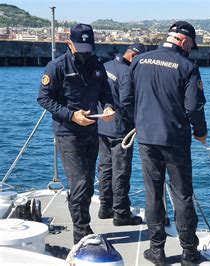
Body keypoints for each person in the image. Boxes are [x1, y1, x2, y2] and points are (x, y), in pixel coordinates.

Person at [120, 21, 207, 264]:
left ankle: (156, 250)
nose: (191, 49)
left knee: (153, 193)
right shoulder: (188, 66)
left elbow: (125, 98)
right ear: (184, 41)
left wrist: (140, 121)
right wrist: (200, 132)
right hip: (175, 140)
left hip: (147, 138)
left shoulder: (139, 60)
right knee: (182, 195)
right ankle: (189, 252)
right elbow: (193, 107)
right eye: (191, 44)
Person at [37, 23, 115, 244]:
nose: (84, 54)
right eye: (80, 48)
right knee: (80, 181)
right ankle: (81, 233)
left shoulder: (97, 66)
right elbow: (44, 98)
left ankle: (82, 223)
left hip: (91, 130)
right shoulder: (56, 66)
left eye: (88, 49)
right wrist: (72, 115)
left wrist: (108, 108)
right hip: (67, 133)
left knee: (88, 183)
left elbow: (105, 93)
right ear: (69, 43)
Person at [97, 43, 146, 226]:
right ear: (133, 56)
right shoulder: (127, 72)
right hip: (119, 128)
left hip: (102, 125)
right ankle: (121, 212)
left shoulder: (106, 66)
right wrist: (137, 122)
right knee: (121, 171)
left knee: (105, 167)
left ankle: (105, 206)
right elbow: (126, 101)